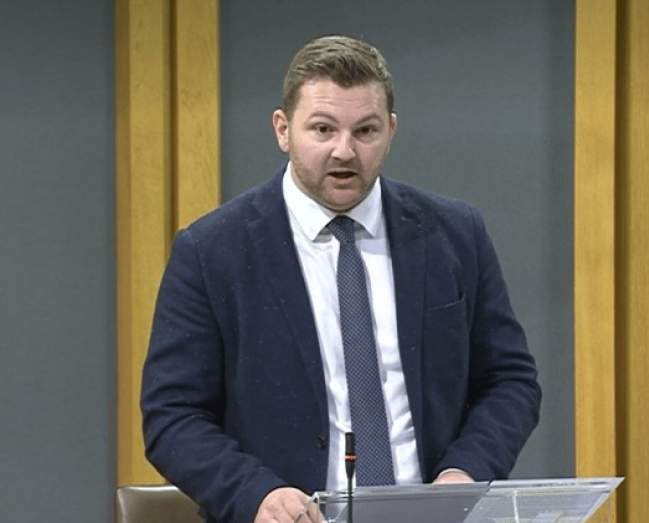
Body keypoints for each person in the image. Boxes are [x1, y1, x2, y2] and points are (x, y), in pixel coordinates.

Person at [141, 35, 541, 523]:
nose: (344, 152)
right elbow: (172, 416)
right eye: (323, 129)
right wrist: (257, 494)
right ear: (283, 130)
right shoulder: (211, 252)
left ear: (391, 130)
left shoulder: (454, 235)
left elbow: (510, 381)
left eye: (365, 130)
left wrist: (465, 471)